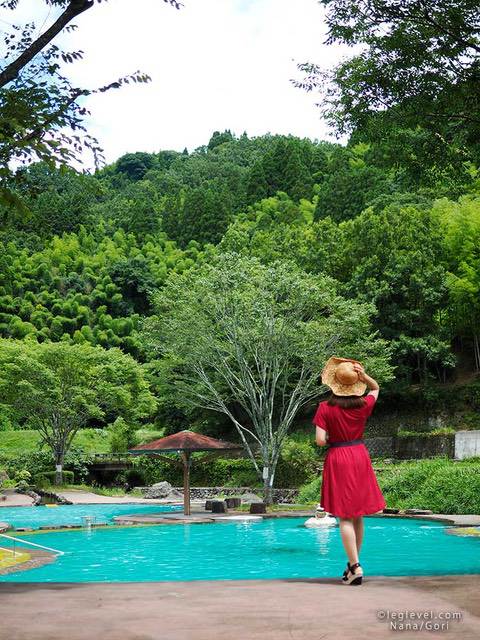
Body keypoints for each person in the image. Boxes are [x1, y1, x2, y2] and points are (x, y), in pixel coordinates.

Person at [312, 356, 386, 586]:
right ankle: (354, 563)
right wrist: (365, 376)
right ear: (355, 382)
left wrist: (333, 437)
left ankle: (355, 567)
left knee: (344, 515)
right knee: (357, 514)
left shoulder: (325, 408)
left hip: (339, 457)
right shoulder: (364, 405)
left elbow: (320, 440)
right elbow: (376, 388)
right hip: (359, 455)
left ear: (334, 382)